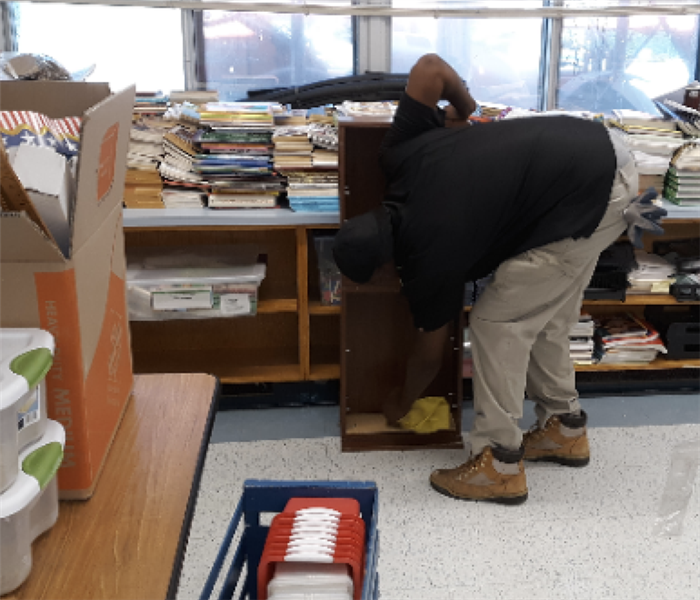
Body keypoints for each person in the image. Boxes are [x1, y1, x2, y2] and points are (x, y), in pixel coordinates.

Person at [332, 53, 665, 505]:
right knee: (540, 315)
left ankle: (498, 463)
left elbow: (429, 356)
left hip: (586, 194)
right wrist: (465, 111)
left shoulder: (427, 260)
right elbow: (431, 68)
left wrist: (400, 402)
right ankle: (563, 429)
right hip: (599, 152)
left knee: (496, 324)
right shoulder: (399, 155)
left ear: (384, 268)